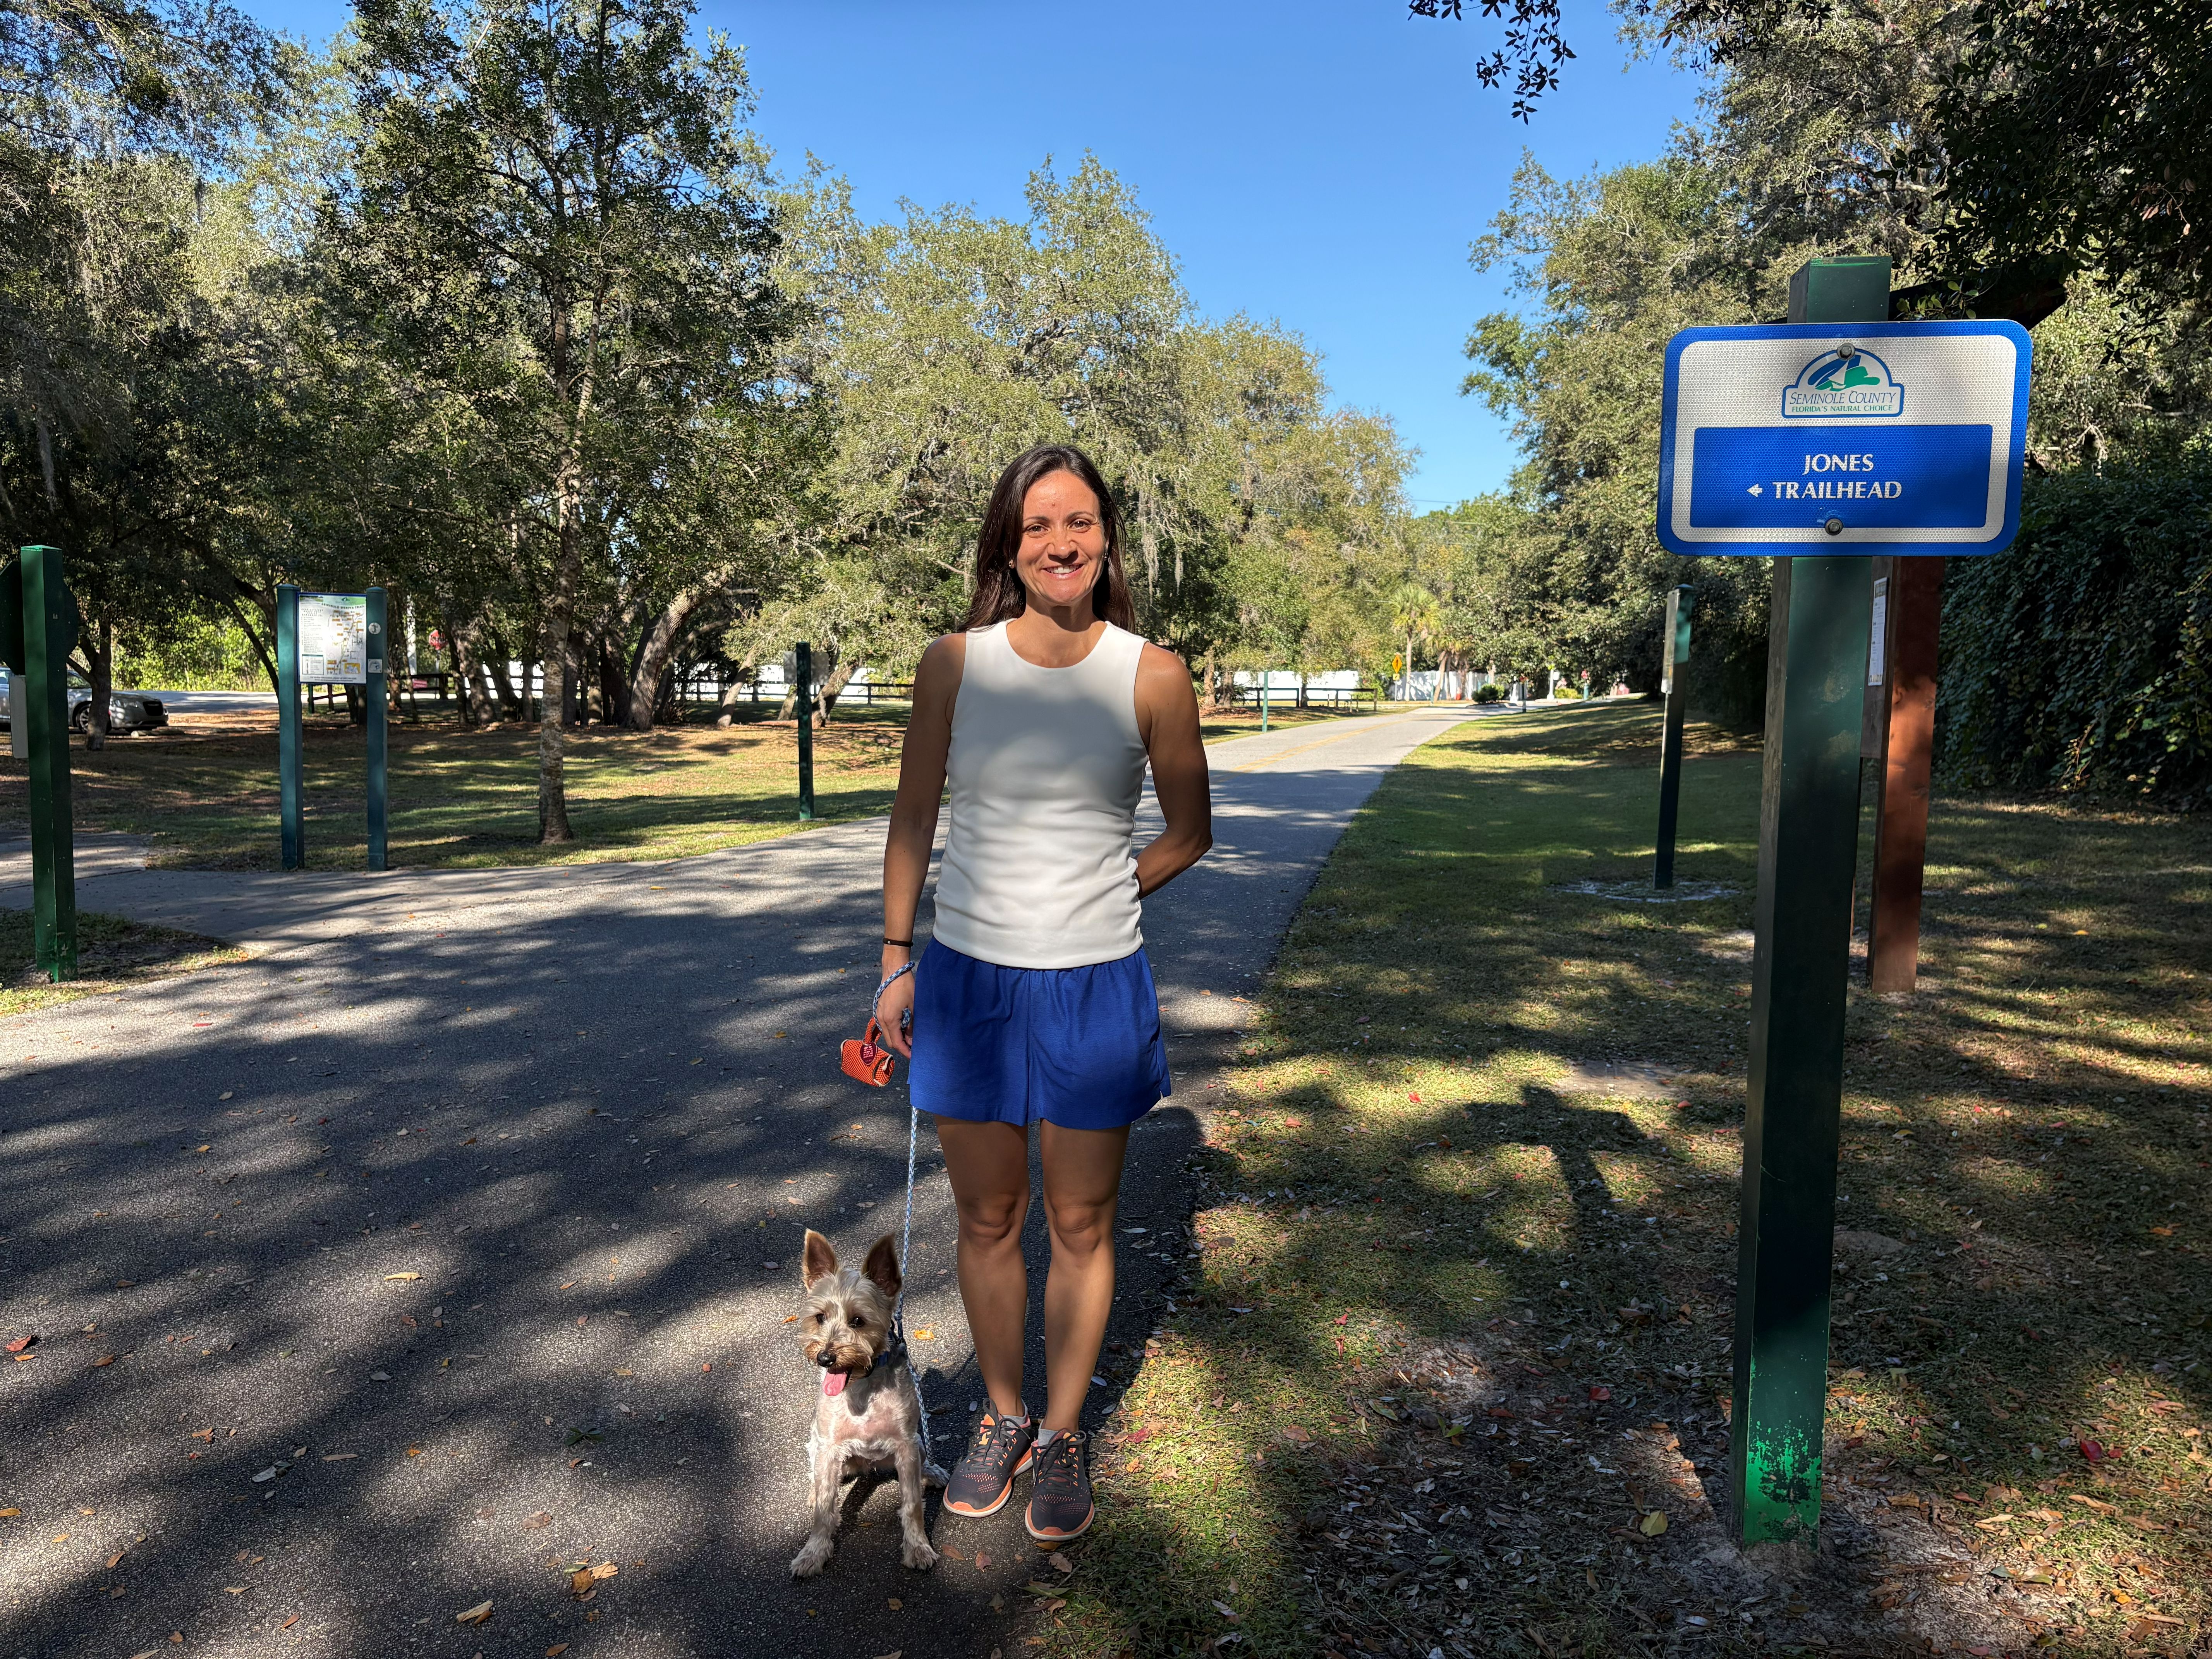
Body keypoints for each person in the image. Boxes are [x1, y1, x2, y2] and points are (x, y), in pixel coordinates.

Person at [874, 443, 1212, 1544]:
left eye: (1078, 523)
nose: (1059, 543)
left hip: (1094, 982)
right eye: (1035, 527)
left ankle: (1062, 1430)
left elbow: (1189, 830)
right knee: (986, 1215)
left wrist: (1114, 880)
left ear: (1107, 535)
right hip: (967, 980)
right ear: (1007, 548)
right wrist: (893, 955)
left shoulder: (1151, 672)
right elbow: (914, 818)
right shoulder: (954, 664)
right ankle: (1002, 1415)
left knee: (1079, 1219)